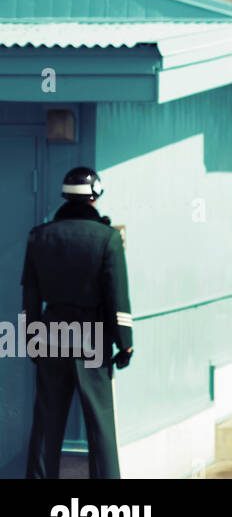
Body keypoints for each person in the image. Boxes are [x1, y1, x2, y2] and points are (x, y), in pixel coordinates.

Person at [23, 167, 133, 479]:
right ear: (94, 196)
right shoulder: (108, 238)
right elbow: (117, 299)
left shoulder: (38, 237)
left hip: (50, 333)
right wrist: (125, 344)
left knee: (46, 423)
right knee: (99, 424)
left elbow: (30, 299)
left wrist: (31, 340)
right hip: (92, 337)